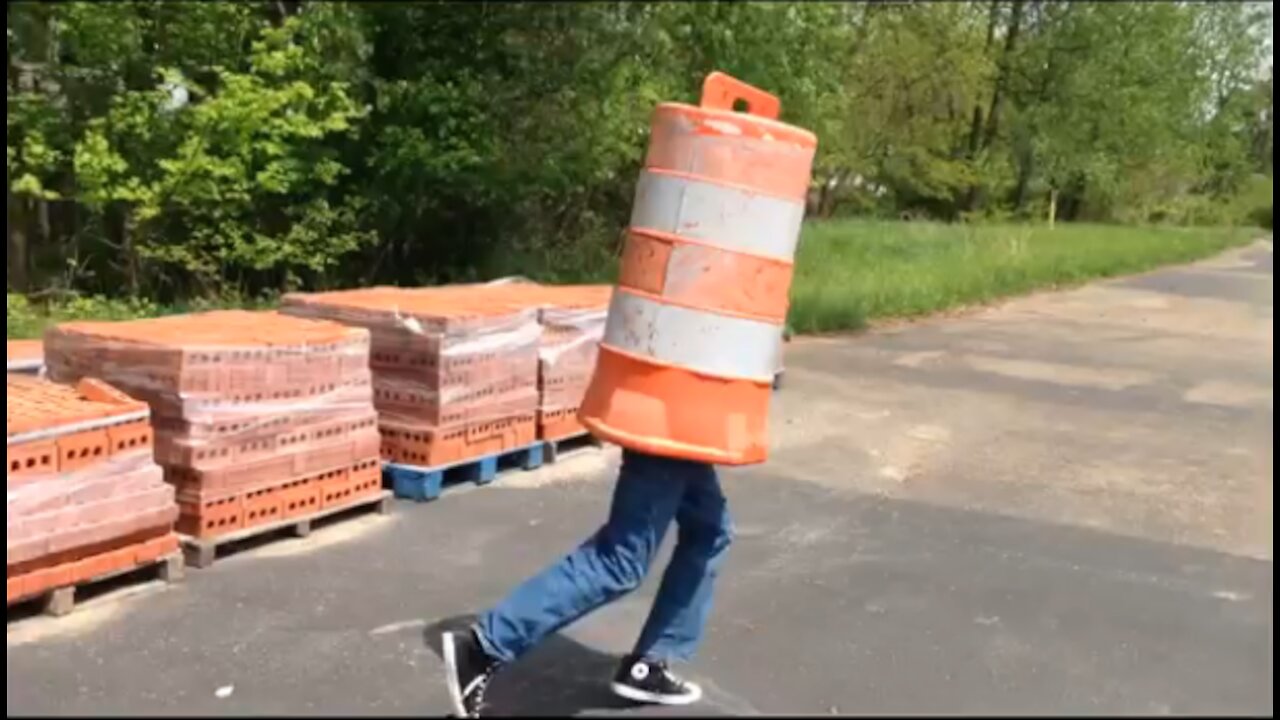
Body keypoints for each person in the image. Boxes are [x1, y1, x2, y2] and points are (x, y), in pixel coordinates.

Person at [441, 449, 734, 717]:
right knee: (620, 561)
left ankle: (649, 664)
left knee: (709, 531)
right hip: (671, 418)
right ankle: (485, 647)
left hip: (691, 420)